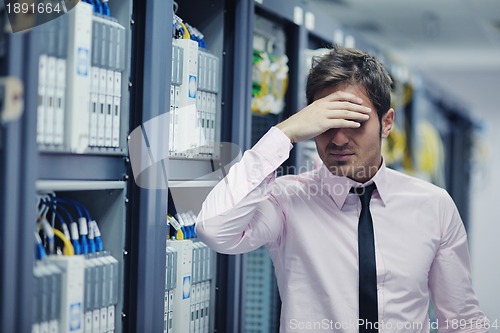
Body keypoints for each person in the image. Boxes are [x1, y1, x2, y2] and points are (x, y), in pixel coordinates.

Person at [195, 45, 488, 333]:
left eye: (354, 121)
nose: (338, 139)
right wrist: (283, 134)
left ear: (386, 123)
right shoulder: (287, 200)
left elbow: (462, 320)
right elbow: (214, 230)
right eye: (326, 123)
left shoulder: (433, 205)